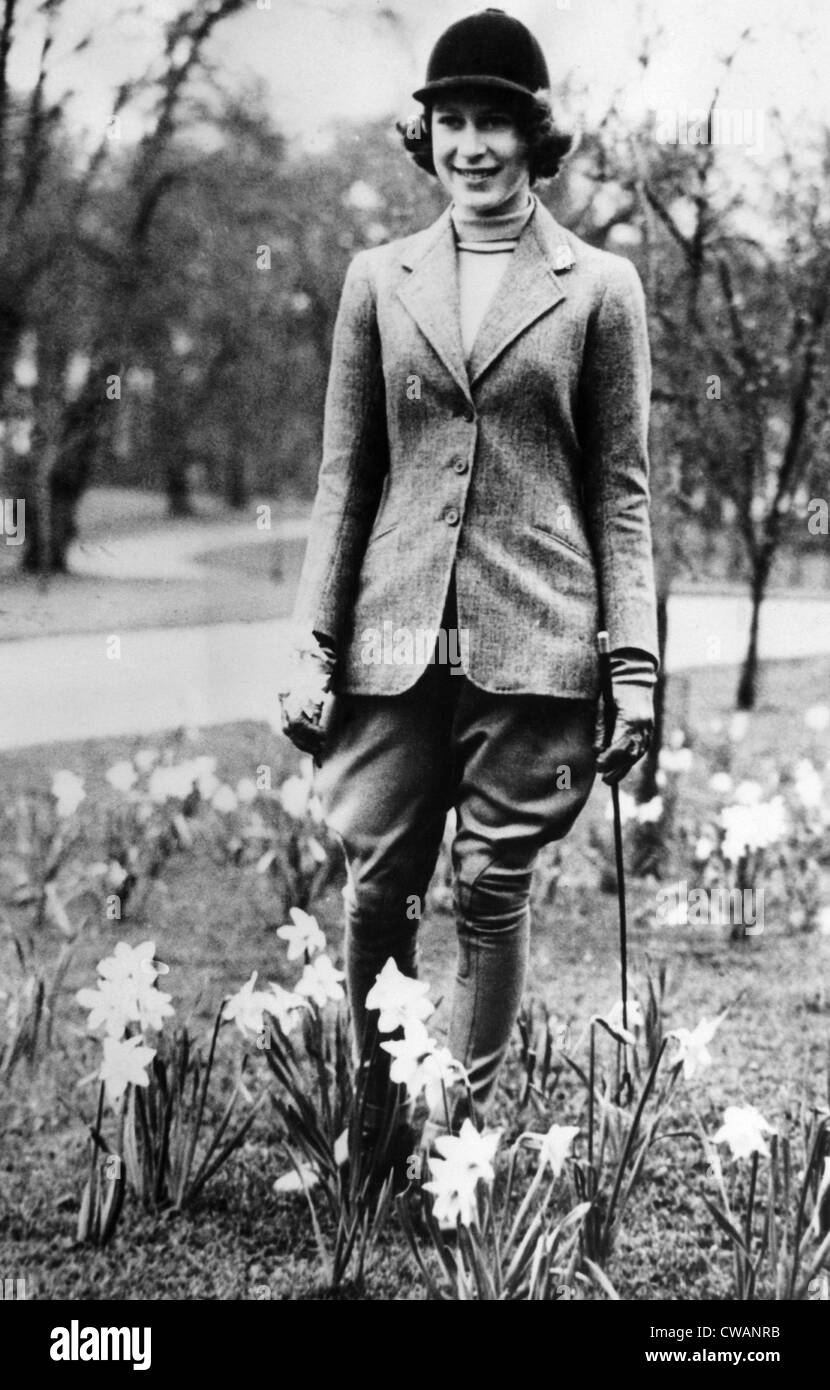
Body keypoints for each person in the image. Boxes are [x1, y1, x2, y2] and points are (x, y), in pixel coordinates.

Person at [279, 9, 658, 1164]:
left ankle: (470, 1136)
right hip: (393, 636)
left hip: (536, 635)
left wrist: (630, 667)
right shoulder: (374, 280)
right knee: (377, 885)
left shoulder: (600, 289)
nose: (473, 144)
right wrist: (310, 644)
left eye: (496, 121)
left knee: (492, 883)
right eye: (452, 120)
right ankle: (381, 1119)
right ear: (426, 133)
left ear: (534, 139)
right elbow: (345, 481)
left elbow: (621, 495)